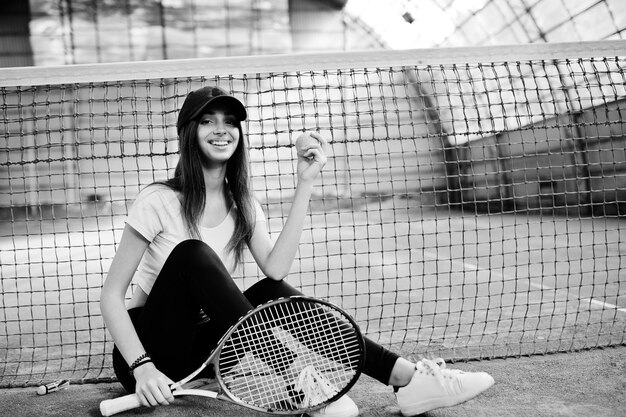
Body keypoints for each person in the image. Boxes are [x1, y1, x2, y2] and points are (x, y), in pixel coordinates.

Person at [100, 85, 495, 417]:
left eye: (230, 122)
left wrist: (305, 182)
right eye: (208, 120)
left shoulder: (244, 206)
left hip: (206, 348)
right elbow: (112, 296)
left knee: (275, 291)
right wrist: (143, 367)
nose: (221, 130)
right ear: (189, 131)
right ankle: (301, 382)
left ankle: (406, 378)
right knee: (191, 253)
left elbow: (275, 270)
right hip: (149, 350)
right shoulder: (158, 199)